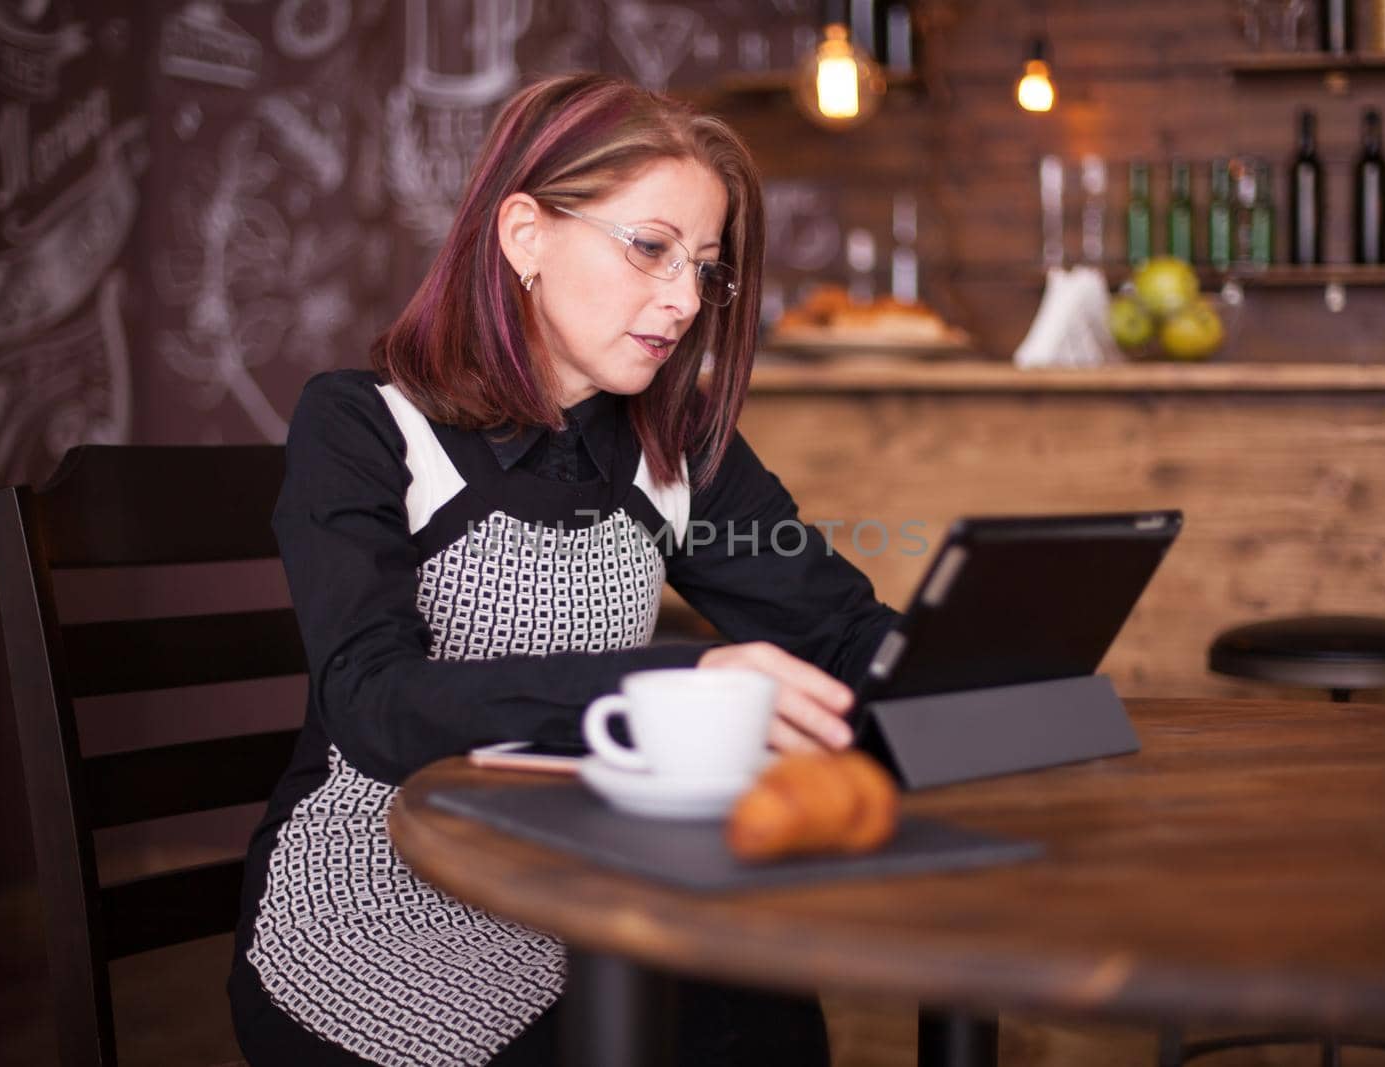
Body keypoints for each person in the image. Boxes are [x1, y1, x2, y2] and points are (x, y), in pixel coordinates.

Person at [228, 73, 900, 1066]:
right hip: (378, 897)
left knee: (765, 1012)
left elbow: (835, 626)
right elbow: (374, 704)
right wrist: (676, 682)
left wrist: (986, 666)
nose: (682, 300)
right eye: (648, 247)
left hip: (590, 880)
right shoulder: (365, 426)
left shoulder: (676, 449)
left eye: (705, 268)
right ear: (524, 233)